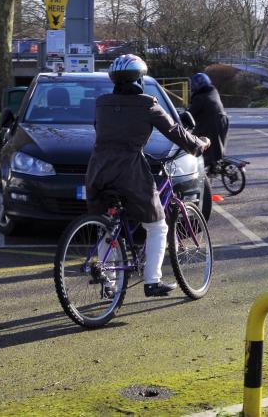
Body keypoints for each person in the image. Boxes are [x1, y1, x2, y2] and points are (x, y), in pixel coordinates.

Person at [86, 54, 210, 297]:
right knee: (157, 226)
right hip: (130, 172)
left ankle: (108, 283)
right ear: (139, 80)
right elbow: (176, 132)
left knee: (106, 226)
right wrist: (200, 144)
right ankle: (152, 281)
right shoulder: (147, 104)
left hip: (97, 171)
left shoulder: (101, 103)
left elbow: (102, 131)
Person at [187, 72, 229, 172]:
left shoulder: (200, 98)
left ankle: (205, 167)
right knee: (217, 146)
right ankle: (214, 165)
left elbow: (190, 113)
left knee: (197, 142)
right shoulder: (213, 91)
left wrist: (181, 118)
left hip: (211, 122)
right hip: (222, 120)